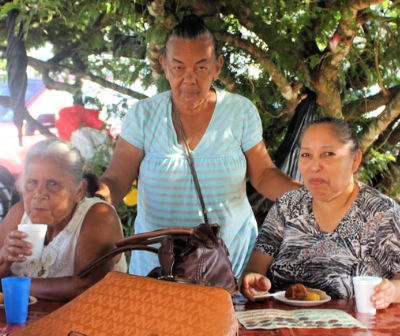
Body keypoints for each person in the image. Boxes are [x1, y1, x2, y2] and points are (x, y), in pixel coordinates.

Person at [96, 14, 301, 279]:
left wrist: (311, 196)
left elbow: (263, 175)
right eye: (179, 67)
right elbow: (117, 179)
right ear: (164, 66)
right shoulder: (143, 115)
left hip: (229, 262)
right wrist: (93, 199)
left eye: (201, 68)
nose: (190, 79)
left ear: (218, 66)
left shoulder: (240, 112)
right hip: (157, 266)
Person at [241, 117, 400, 310]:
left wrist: (391, 290)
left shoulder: (381, 212)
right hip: (281, 327)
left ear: (355, 160)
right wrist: (255, 282)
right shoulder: (287, 206)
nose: (314, 166)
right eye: (306, 155)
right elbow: (255, 269)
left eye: (328, 154)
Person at [0, 138, 126, 301]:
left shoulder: (97, 215)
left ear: (79, 191)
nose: (39, 194)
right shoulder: (19, 214)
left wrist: (14, 285)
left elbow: (85, 286)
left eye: (52, 184)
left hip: (82, 323)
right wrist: (3, 257)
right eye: (32, 183)